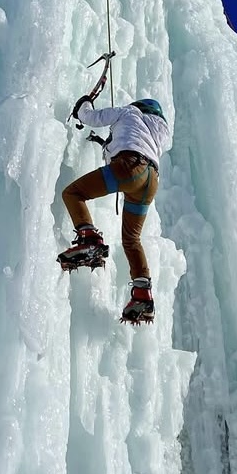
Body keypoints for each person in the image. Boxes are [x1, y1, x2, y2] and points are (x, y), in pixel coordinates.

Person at [58, 97, 172, 323]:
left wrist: (83, 106)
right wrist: (109, 144)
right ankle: (143, 295)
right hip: (150, 181)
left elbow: (93, 117)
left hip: (130, 168)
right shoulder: (160, 132)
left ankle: (90, 240)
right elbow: (135, 141)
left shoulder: (129, 112)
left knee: (73, 194)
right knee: (132, 239)